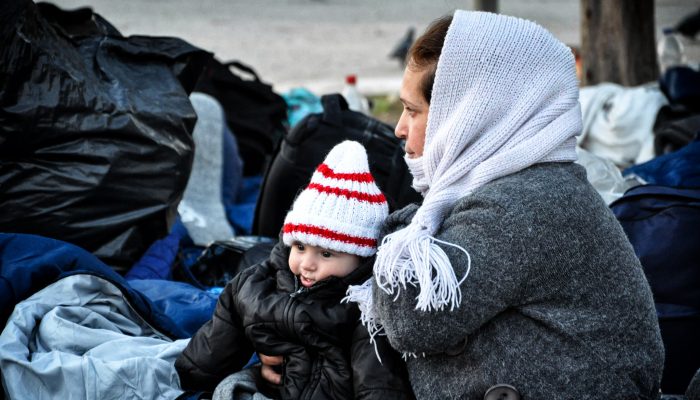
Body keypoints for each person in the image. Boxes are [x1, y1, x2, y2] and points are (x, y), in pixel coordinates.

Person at [265, 11, 665, 400]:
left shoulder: (520, 206)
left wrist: (382, 226)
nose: (400, 129)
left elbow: (412, 322)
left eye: (412, 110)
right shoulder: (522, 183)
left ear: (465, 116)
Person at [175, 140, 414, 399]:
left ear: (361, 258)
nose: (307, 264)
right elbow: (221, 333)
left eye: (326, 254)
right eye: (299, 246)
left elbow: (378, 384)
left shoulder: (363, 311)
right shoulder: (259, 284)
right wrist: (191, 375)